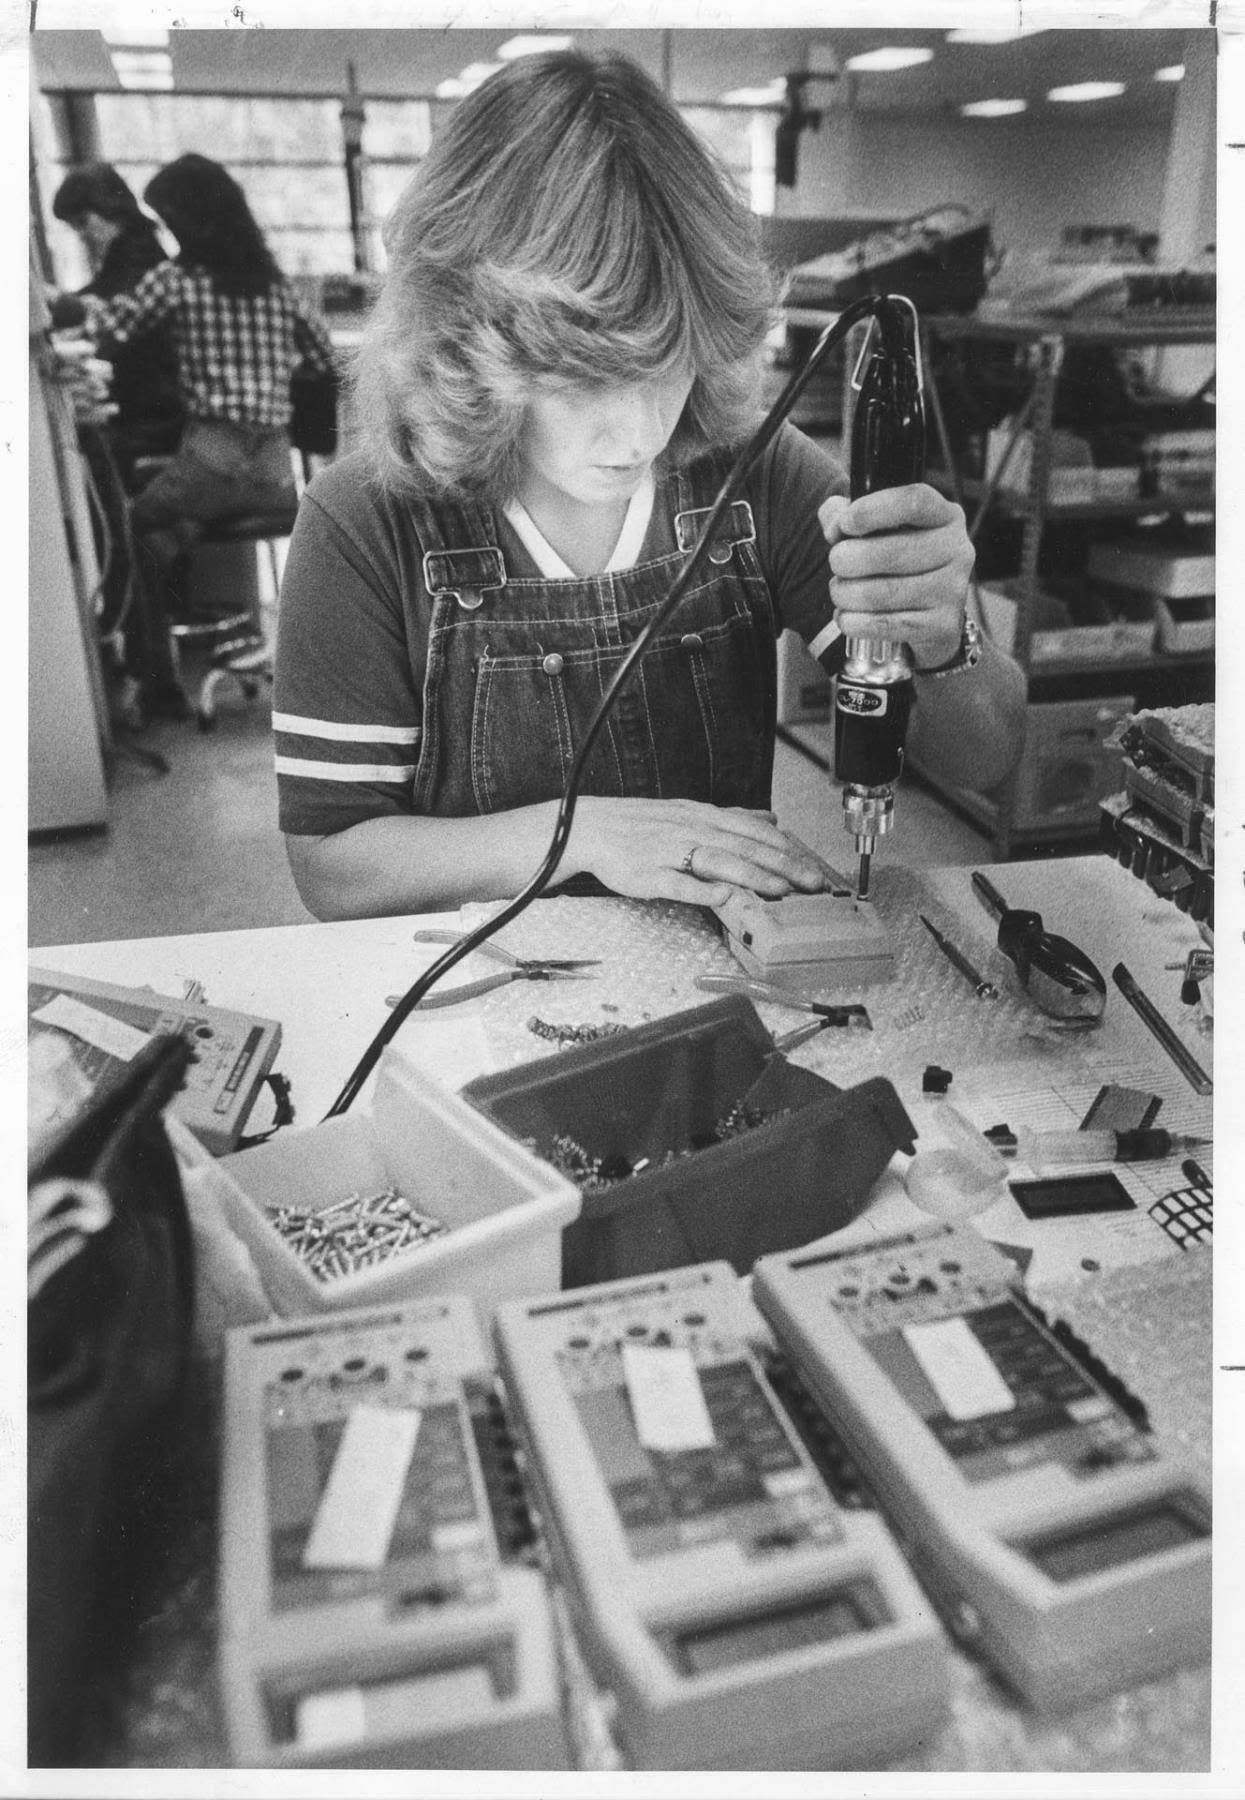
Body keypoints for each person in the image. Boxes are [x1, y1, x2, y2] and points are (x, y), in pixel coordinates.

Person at [274, 49, 1025, 921]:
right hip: (471, 1002)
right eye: (578, 376)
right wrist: (582, 834)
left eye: (666, 364)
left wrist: (942, 635)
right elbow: (333, 863)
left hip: (719, 990)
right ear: (465, 344)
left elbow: (982, 758)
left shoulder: (762, 478)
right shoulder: (366, 523)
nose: (636, 434)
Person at [75, 153, 337, 719]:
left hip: (209, 462)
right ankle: (242, 644)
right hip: (273, 476)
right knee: (173, 533)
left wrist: (76, 307)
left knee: (131, 531)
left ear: (191, 223)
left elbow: (109, 332)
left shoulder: (177, 281)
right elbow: (321, 358)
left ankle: (158, 683)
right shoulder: (277, 285)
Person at [49, 162, 185, 473]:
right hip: (154, 404)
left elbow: (109, 307)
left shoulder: (140, 260)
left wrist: (57, 301)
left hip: (153, 411)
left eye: (84, 222)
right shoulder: (136, 253)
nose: (82, 236)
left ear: (110, 210)